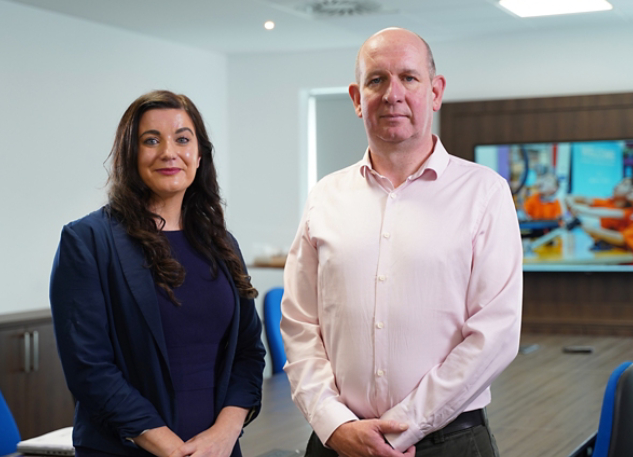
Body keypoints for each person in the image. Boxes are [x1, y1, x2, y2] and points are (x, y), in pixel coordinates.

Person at [280, 28, 523, 457]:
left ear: (435, 91)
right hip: (337, 443)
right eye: (377, 80)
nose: (392, 94)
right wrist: (333, 424)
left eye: (409, 78)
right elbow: (300, 325)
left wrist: (400, 429)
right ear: (357, 98)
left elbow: (496, 334)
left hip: (449, 442)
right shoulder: (324, 197)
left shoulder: (485, 192)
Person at [49, 90, 265, 457]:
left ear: (199, 156)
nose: (169, 151)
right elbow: (89, 367)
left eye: (182, 139)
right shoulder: (88, 241)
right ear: (130, 154)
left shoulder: (221, 243)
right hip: (126, 450)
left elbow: (248, 353)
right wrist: (168, 446)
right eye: (151, 140)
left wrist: (226, 433)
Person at [567, 177, 633, 231]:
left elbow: (607, 213)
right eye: (620, 182)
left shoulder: (630, 212)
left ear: (632, 192)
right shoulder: (608, 202)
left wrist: (579, 212)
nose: (618, 185)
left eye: (625, 185)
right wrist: (573, 207)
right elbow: (577, 198)